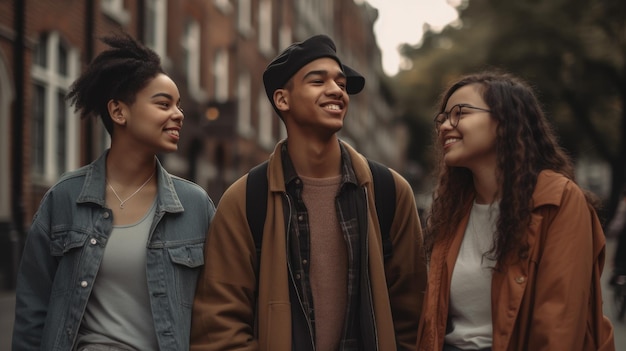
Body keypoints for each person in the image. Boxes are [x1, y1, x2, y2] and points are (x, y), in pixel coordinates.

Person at [191, 34, 427, 351]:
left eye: (341, 84)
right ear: (282, 99)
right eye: (318, 81)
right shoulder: (246, 200)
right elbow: (219, 326)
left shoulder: (389, 191)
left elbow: (413, 318)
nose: (336, 91)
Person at [11, 33, 215, 350]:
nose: (178, 114)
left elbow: (215, 314)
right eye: (163, 104)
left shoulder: (195, 206)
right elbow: (32, 312)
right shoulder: (65, 198)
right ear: (119, 112)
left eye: (178, 105)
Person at [416, 71, 615, 351]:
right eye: (443, 118)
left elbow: (558, 327)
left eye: (460, 113)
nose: (445, 126)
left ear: (504, 122)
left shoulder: (559, 200)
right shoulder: (453, 211)